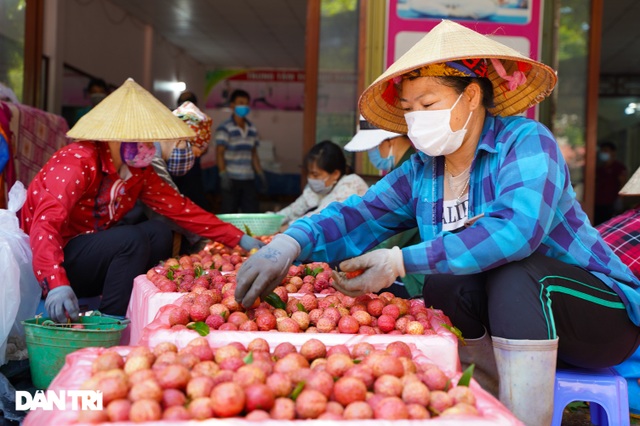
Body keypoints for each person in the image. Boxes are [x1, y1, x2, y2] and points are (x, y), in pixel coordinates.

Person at [234, 20, 640, 426]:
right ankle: (487, 400)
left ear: (472, 97)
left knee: (515, 274)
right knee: (443, 280)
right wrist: (289, 244)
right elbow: (357, 213)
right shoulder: (422, 172)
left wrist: (399, 261)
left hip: (597, 318)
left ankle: (522, 420)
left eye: (427, 105)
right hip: (512, 328)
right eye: (409, 111)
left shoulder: (526, 142)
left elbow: (516, 231)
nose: (416, 121)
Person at [21, 78, 264, 324]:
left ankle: (134, 305)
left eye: (150, 140)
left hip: (91, 254)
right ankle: (110, 321)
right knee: (131, 239)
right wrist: (55, 282)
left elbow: (182, 210)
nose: (149, 147)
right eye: (143, 139)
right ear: (117, 137)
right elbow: (44, 225)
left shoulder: (138, 172)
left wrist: (239, 239)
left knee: (159, 232)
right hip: (55, 256)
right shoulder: (77, 160)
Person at [344, 117, 422, 298]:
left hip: (414, 277)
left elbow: (391, 234)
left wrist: (354, 259)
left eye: (373, 147)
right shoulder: (404, 168)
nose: (372, 153)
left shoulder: (409, 172)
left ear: (389, 141)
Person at [276, 140, 368, 228]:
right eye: (308, 173)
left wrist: (287, 227)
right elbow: (293, 210)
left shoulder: (351, 184)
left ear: (335, 174)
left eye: (315, 175)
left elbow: (321, 218)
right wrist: (270, 220)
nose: (310, 178)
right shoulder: (315, 190)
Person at [216, 89, 268, 213]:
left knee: (251, 213)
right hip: (231, 179)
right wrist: (223, 174)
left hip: (248, 179)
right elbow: (219, 153)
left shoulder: (252, 128)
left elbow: (254, 154)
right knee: (229, 213)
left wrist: (260, 173)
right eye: (240, 103)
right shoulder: (225, 128)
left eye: (246, 103)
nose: (243, 106)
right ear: (232, 105)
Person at [171, 91, 211, 211]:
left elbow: (205, 146)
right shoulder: (173, 119)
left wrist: (194, 151)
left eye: (190, 102)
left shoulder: (200, 120)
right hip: (174, 168)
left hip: (193, 169)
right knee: (175, 200)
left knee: (196, 201)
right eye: (183, 102)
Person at [594, 141, 628, 225]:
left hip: (611, 204)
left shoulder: (618, 167)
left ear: (613, 152)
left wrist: (620, 200)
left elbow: (623, 183)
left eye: (605, 150)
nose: (603, 153)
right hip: (597, 203)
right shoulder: (599, 169)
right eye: (602, 151)